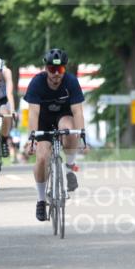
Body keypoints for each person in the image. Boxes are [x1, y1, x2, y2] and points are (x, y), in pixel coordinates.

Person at [25, 48, 88, 222]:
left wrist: (82, 134)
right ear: (46, 69)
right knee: (42, 157)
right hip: (43, 120)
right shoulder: (37, 83)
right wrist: (32, 138)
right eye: (52, 70)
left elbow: (77, 111)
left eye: (59, 70)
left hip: (63, 116)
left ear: (64, 70)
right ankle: (40, 199)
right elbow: (33, 114)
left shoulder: (71, 81)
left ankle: (69, 167)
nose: (55, 74)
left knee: (69, 129)